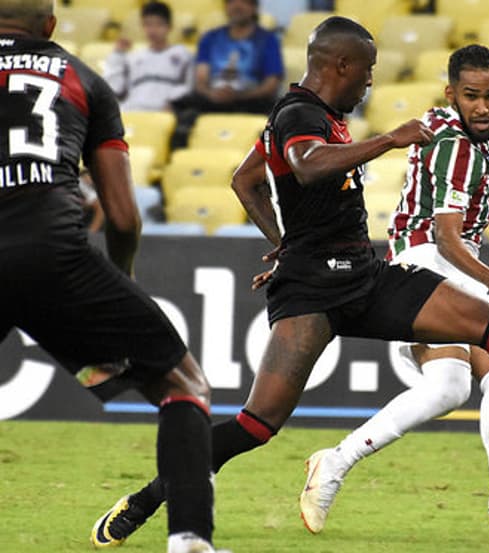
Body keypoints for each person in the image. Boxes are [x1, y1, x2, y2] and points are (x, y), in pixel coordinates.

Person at [91, 16, 489, 547]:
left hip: (365, 275)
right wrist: (388, 140)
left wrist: (285, 241)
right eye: (367, 70)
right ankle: (145, 499)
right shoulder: (299, 114)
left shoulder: (324, 116)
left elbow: (246, 180)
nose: (370, 81)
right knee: (258, 423)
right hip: (310, 293)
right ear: (340, 65)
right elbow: (305, 165)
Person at [301, 44, 489, 538]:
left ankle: (341, 462)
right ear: (452, 93)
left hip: (425, 261)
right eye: (472, 96)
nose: (483, 106)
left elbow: (453, 186)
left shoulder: (450, 127)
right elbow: (447, 237)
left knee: (470, 384)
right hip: (429, 263)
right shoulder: (459, 146)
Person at [0, 1, 220, 552]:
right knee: (184, 386)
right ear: (51, 26)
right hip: (53, 256)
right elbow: (122, 216)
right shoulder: (82, 79)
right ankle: (189, 540)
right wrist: (118, 285)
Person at [170, 0, 283, 146]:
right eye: (231, 2)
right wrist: (211, 94)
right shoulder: (210, 38)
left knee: (279, 114)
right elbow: (201, 80)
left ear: (254, 7)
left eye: (243, 2)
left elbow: (271, 84)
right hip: (213, 99)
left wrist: (238, 95)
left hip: (250, 101)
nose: (237, 6)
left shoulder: (268, 40)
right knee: (181, 110)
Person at [103, 1, 193, 112]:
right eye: (148, 24)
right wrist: (118, 54)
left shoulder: (183, 54)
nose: (153, 30)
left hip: (165, 110)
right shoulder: (133, 57)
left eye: (159, 24)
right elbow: (114, 89)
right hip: (132, 109)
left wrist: (175, 103)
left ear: (169, 27)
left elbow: (190, 87)